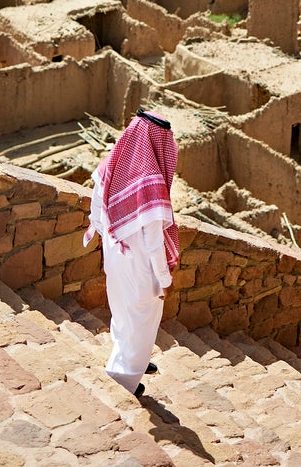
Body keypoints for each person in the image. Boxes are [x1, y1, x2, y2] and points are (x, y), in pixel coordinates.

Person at [83, 108, 180, 397]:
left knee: (124, 311)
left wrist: (109, 245)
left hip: (115, 253)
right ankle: (123, 377)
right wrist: (164, 280)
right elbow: (153, 243)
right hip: (140, 266)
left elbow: (97, 211)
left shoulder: (112, 164)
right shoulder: (149, 183)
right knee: (142, 320)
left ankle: (127, 359)